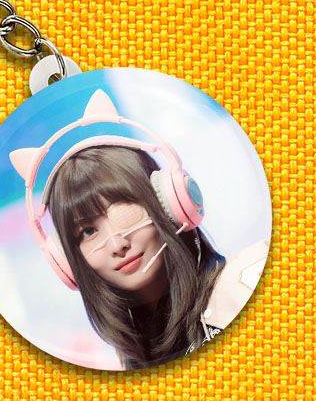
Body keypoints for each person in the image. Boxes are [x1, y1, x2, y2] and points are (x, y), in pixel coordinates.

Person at [47, 143, 267, 369]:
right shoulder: (131, 356)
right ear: (70, 260)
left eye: (125, 212)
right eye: (88, 231)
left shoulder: (247, 284)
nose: (117, 244)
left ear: (170, 205)